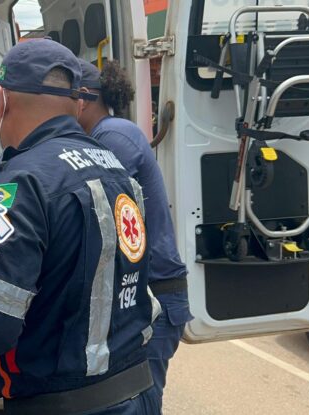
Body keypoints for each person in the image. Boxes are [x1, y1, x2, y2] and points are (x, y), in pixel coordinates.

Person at [0, 39, 159, 414]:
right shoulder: (112, 167)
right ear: (76, 103)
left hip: (61, 404)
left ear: (2, 100)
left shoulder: (17, 183)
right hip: (136, 393)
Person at [76, 59, 192, 412]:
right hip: (144, 298)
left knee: (141, 402)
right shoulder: (107, 134)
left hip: (155, 298)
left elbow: (95, 206)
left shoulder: (113, 136)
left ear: (81, 99)